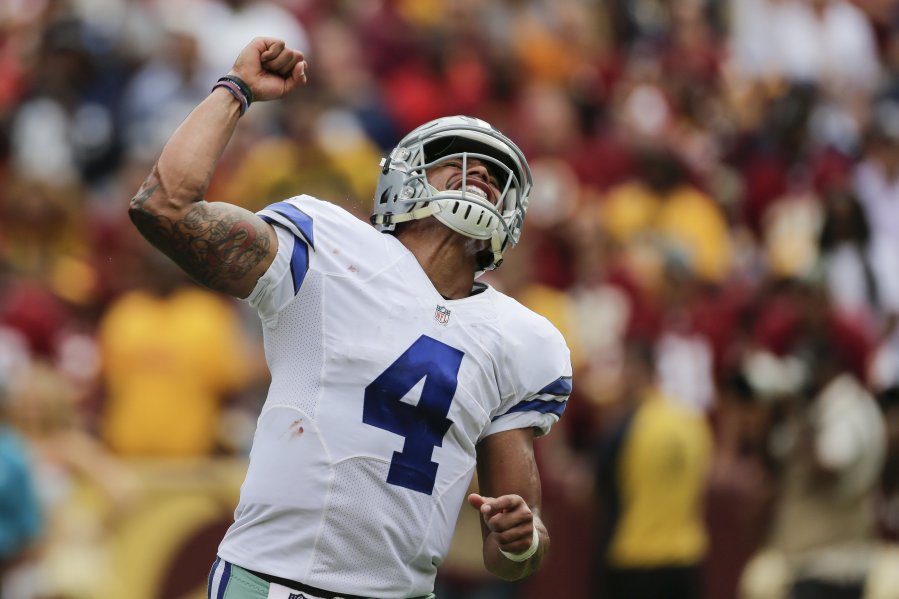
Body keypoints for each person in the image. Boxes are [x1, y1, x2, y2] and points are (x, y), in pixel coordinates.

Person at [128, 37, 572, 599]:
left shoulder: (521, 339)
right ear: (403, 181)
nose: (479, 173)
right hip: (271, 582)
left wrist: (521, 539)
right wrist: (235, 89)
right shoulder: (328, 248)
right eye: (456, 162)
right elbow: (164, 205)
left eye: (493, 173)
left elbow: (515, 550)